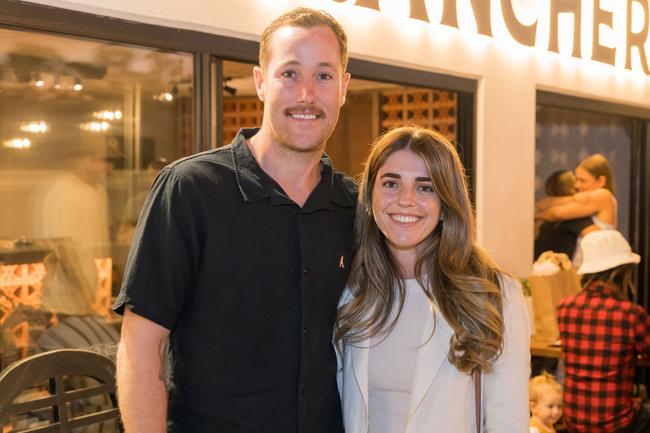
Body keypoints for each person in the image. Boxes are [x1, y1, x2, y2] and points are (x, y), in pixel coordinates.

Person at [113, 7, 353, 433]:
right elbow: (141, 348)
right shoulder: (191, 189)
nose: (306, 95)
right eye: (290, 73)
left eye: (324, 76)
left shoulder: (353, 206)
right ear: (260, 83)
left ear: (344, 88)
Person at [334, 126, 530, 433]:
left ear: (445, 205)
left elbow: (509, 423)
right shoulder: (351, 289)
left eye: (425, 187)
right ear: (370, 195)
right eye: (391, 184)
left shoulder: (493, 294)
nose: (405, 200)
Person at [557, 230, 650, 433]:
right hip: (616, 423)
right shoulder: (631, 313)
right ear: (621, 273)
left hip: (574, 420)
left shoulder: (564, 307)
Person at [535, 153, 617, 229]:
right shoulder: (586, 197)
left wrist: (537, 215)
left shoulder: (603, 195)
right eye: (576, 179)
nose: (576, 185)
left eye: (583, 181)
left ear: (601, 181)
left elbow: (557, 214)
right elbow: (541, 204)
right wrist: (573, 198)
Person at [534, 170, 597, 260]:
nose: (578, 185)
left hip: (538, 266)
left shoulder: (545, 214)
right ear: (571, 187)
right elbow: (596, 237)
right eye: (576, 181)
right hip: (558, 270)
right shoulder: (573, 215)